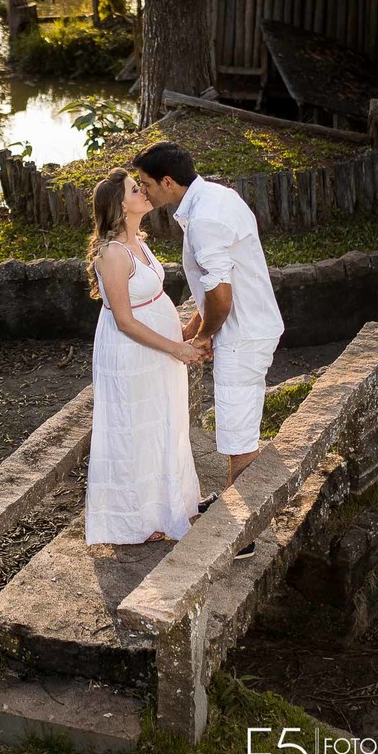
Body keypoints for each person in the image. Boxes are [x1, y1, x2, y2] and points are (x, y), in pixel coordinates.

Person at [132, 141, 285, 559]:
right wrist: (194, 327)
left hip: (244, 333)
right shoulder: (216, 196)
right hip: (246, 327)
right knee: (238, 422)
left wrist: (205, 336)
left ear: (168, 181)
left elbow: (220, 295)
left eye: (146, 185)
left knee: (239, 431)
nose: (143, 193)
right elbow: (210, 291)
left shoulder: (205, 219)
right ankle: (233, 499)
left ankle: (245, 535)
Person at [85, 168, 203, 546]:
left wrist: (182, 334)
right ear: (121, 204)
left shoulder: (139, 242)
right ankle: (135, 521)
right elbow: (123, 321)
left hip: (156, 351)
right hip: (132, 352)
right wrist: (176, 347)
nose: (144, 192)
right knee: (135, 429)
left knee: (161, 424)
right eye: (136, 189)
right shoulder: (113, 254)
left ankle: (166, 506)